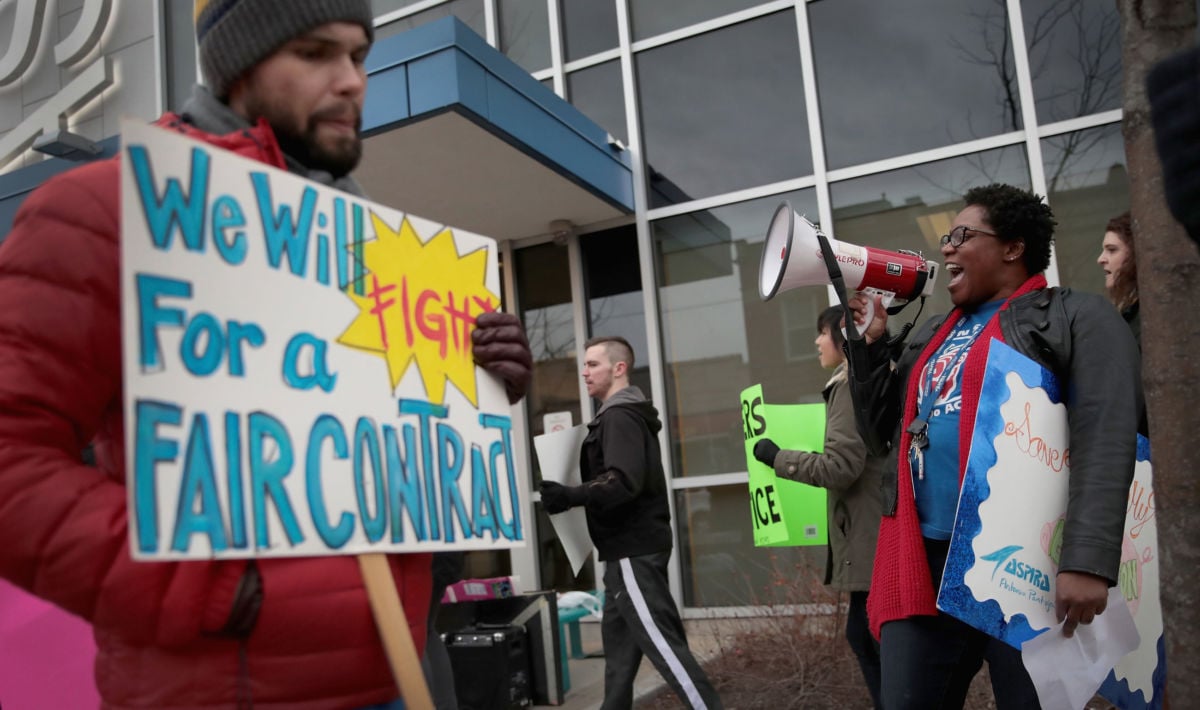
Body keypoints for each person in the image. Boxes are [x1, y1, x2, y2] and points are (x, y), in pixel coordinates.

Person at [0, 1, 533, 707]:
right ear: (236, 68)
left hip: (396, 679)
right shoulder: (107, 211)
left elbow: (388, 445)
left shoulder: (369, 246)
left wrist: (481, 382)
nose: (351, 81)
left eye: (358, 56)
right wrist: (195, 586)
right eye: (315, 53)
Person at [845, 184, 1141, 710]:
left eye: (962, 234)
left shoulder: (1077, 316)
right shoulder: (932, 333)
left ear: (1013, 248)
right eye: (946, 236)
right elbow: (880, 435)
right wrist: (869, 348)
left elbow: (1106, 436)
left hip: (1027, 567)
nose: (947, 247)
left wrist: (1089, 560)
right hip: (927, 564)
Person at [539, 336, 722, 710]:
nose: (584, 371)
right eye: (584, 365)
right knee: (620, 662)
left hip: (632, 552)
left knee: (663, 645)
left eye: (593, 364)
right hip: (624, 553)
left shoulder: (620, 415)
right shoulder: (619, 414)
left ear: (619, 368)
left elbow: (623, 481)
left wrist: (570, 495)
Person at [751, 305, 884, 710]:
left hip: (871, 536)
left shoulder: (849, 385)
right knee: (870, 638)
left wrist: (776, 457)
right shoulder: (868, 377)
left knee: (867, 638)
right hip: (874, 532)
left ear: (843, 338)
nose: (815, 341)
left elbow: (841, 466)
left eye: (821, 333)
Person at [1097, 211, 1140, 349]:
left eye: (1112, 250)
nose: (1100, 259)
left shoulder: (1149, 315)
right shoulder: (1126, 313)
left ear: (1135, 253)